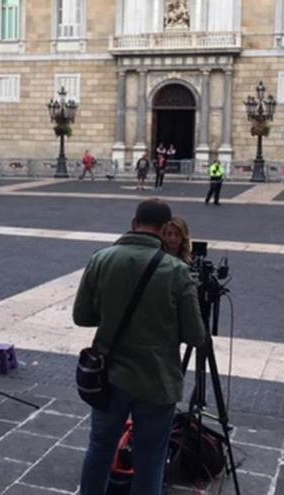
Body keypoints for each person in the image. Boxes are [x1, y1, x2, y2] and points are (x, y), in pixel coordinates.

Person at [73, 199, 207, 495]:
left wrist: (110, 313)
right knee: (150, 458)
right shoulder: (177, 271)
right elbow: (196, 336)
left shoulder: (101, 259)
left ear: (135, 223)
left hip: (110, 377)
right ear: (163, 230)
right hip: (157, 381)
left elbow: (81, 317)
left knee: (99, 449)